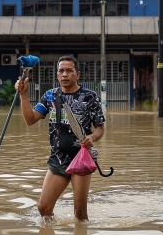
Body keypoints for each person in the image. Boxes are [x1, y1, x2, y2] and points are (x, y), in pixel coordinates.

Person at [14, 55, 105, 221]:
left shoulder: (89, 97)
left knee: (80, 212)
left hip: (81, 157)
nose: (64, 74)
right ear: (57, 75)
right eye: (61, 71)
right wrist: (24, 94)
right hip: (58, 157)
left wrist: (92, 137)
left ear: (77, 74)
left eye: (69, 71)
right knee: (43, 207)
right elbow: (30, 120)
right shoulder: (50, 96)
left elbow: (100, 128)